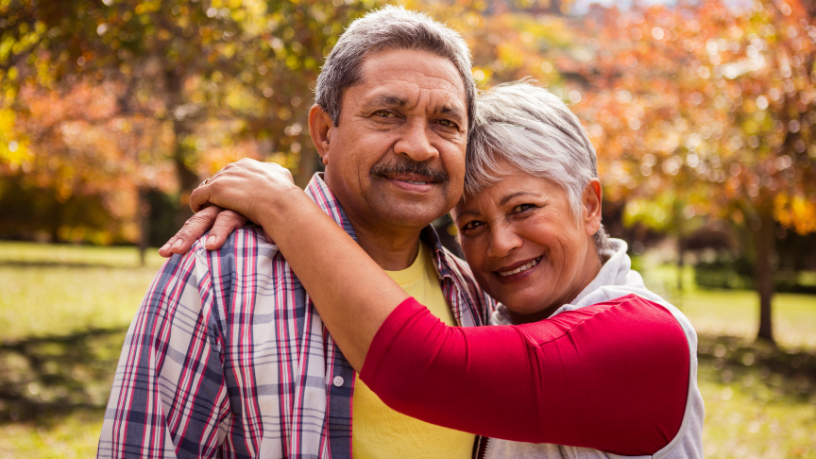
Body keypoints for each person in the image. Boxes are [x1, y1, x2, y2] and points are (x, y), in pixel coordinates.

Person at [172, 82, 705, 458]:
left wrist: (283, 205)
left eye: (523, 209)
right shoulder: (473, 306)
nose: (500, 244)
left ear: (589, 205)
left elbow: (422, 366)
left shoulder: (647, 338)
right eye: (471, 224)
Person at [98, 7, 495, 459]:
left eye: (446, 123)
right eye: (387, 114)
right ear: (325, 133)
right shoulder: (217, 275)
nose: (420, 146)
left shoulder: (474, 295)